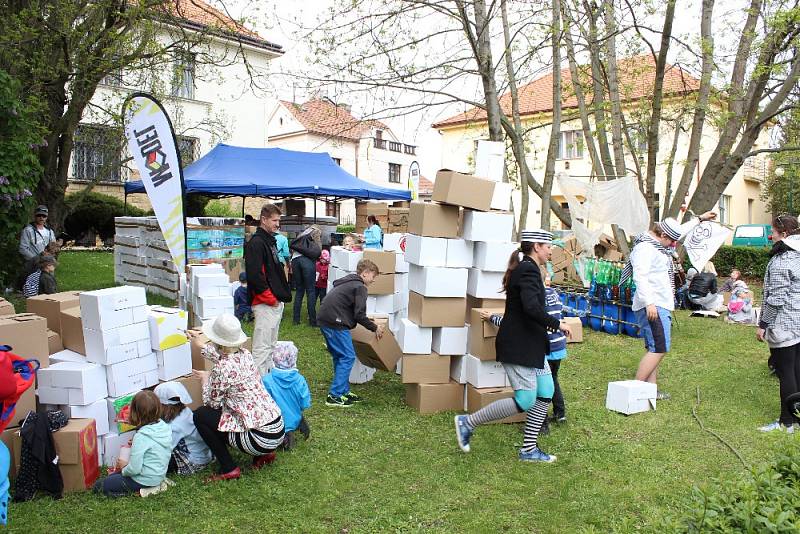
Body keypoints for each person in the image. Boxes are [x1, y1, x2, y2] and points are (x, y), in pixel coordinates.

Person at [454, 230, 573, 463]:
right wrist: (557, 323)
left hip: (532, 344)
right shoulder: (527, 270)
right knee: (526, 399)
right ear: (536, 247)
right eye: (548, 246)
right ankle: (467, 422)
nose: (551, 251)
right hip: (519, 346)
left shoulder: (528, 268)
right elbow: (531, 308)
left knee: (546, 390)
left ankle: (529, 450)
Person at [620, 212, 716, 400]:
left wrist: (700, 219)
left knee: (654, 348)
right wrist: (650, 304)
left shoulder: (657, 245)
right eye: (672, 241)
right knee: (660, 348)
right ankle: (634, 392)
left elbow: (680, 231)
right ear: (662, 235)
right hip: (653, 305)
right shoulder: (646, 249)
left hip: (657, 304)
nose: (674, 245)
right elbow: (640, 276)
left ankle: (650, 391)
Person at [192, 314, 285, 482]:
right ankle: (263, 454)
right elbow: (223, 359)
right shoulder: (246, 354)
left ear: (217, 342)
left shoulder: (221, 369)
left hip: (258, 438)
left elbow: (211, 404)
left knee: (201, 415)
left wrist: (206, 379)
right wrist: (199, 344)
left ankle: (229, 468)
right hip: (276, 429)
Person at [318, 259, 384, 407]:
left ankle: (342, 391)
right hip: (336, 322)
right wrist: (375, 327)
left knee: (339, 356)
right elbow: (359, 315)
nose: (374, 280)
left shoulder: (348, 283)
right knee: (347, 356)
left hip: (326, 319)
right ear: (365, 273)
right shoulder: (360, 287)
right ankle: (334, 395)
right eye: (374, 276)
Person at [756, 214, 800, 433]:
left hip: (785, 323)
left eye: (772, 231)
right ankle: (797, 418)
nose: (770, 235)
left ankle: (787, 421)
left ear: (784, 234)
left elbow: (776, 298)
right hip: (798, 321)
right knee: (797, 369)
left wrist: (763, 324)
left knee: (786, 372)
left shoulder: (783, 260)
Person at [94, 390, 172, 497]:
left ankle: (140, 492)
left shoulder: (142, 436)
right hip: (158, 475)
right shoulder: (164, 427)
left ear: (134, 412)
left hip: (143, 479)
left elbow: (134, 469)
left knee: (99, 487)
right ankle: (151, 486)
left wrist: (124, 468)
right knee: (110, 479)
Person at [244, 203, 292, 376]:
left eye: (278, 220)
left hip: (273, 301)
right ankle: (257, 386)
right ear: (263, 220)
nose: (277, 224)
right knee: (261, 348)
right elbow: (255, 275)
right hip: (264, 303)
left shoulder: (269, 241)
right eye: (274, 220)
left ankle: (267, 382)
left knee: (270, 346)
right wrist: (270, 299)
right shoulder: (256, 243)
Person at [153, 381, 213, 475]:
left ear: (164, 406)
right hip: (204, 454)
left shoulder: (175, 426)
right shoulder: (185, 410)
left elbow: (164, 448)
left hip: (194, 461)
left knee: (159, 460)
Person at [261, 342, 311, 450]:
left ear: (274, 359)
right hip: (295, 415)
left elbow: (263, 404)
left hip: (274, 421)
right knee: (294, 414)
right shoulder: (299, 380)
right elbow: (305, 403)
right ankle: (296, 424)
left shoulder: (267, 380)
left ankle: (285, 436)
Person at [290, 226, 322, 327]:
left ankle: (296, 319)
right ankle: (313, 321)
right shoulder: (315, 235)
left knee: (299, 290)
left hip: (295, 261)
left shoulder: (301, 235)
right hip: (307, 262)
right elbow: (318, 252)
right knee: (311, 291)